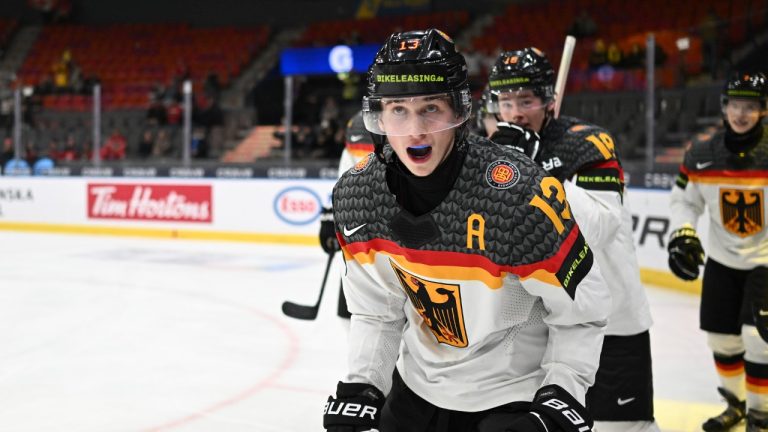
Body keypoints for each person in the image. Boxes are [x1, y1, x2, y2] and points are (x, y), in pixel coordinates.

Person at [323, 28, 610, 432]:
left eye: (430, 108)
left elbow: (581, 312)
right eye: (398, 110)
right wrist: (363, 386)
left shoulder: (517, 194)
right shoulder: (358, 195)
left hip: (510, 398)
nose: (415, 130)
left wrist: (561, 394)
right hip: (415, 390)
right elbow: (377, 311)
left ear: (459, 111)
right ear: (378, 116)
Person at [486, 47, 659, 432]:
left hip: (610, 318)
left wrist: (534, 173)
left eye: (526, 100)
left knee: (624, 427)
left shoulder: (588, 143)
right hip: (543, 324)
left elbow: (602, 225)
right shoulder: (496, 151)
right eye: (506, 101)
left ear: (549, 100)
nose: (515, 112)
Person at [668, 71, 768, 431]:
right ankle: (737, 404)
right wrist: (683, 233)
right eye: (736, 105)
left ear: (762, 110)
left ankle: (761, 412)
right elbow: (683, 200)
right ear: (725, 108)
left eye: (751, 106)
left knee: (759, 341)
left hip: (764, 264)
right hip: (723, 263)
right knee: (722, 339)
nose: (742, 113)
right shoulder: (701, 154)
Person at [318, 111, 376, 319]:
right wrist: (331, 218)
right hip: (359, 242)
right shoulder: (355, 130)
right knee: (350, 314)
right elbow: (344, 184)